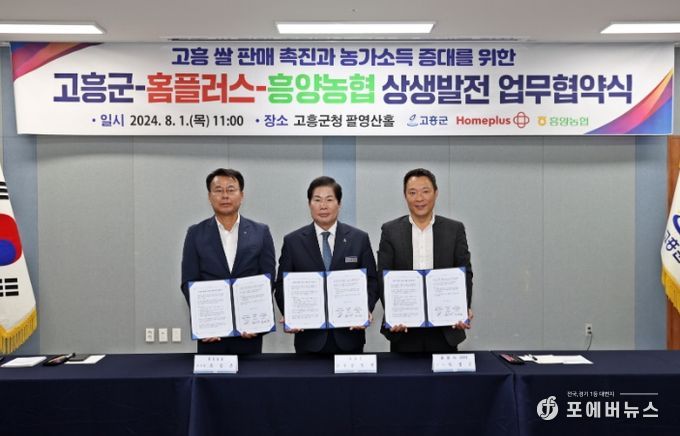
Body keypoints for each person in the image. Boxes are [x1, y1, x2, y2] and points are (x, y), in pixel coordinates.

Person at [275, 176, 379, 354]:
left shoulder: (359, 239)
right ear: (309, 204)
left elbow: (372, 281)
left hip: (349, 336)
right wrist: (292, 314)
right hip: (308, 338)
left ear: (339, 203)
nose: (323, 206)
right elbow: (281, 285)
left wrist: (364, 309)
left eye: (329, 200)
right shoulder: (293, 241)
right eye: (317, 200)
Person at [181, 168, 275, 354]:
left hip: (250, 331)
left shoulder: (260, 232)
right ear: (209, 196)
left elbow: (268, 278)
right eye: (218, 190)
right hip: (211, 332)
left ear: (242, 195)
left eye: (231, 190)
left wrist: (256, 317)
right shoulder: (195, 233)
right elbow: (188, 281)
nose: (225, 196)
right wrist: (204, 321)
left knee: (251, 373)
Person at [378, 168, 473, 352]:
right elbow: (383, 276)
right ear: (405, 196)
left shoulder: (454, 229)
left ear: (436, 193)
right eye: (412, 192)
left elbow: (465, 273)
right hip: (404, 329)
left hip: (445, 329)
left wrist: (462, 308)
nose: (419, 198)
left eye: (425, 191)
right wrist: (393, 313)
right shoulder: (390, 231)